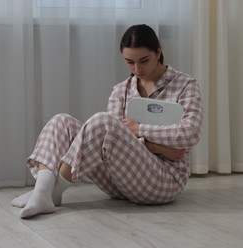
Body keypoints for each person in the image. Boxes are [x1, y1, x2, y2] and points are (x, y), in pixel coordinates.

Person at [11, 24, 203, 219]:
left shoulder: (185, 85)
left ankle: (50, 192)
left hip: (163, 181)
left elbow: (190, 133)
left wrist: (139, 128)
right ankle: (44, 190)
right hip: (117, 181)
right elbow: (111, 141)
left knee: (103, 122)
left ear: (158, 52)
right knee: (61, 121)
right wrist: (157, 148)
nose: (137, 69)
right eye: (129, 62)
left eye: (144, 60)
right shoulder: (121, 90)